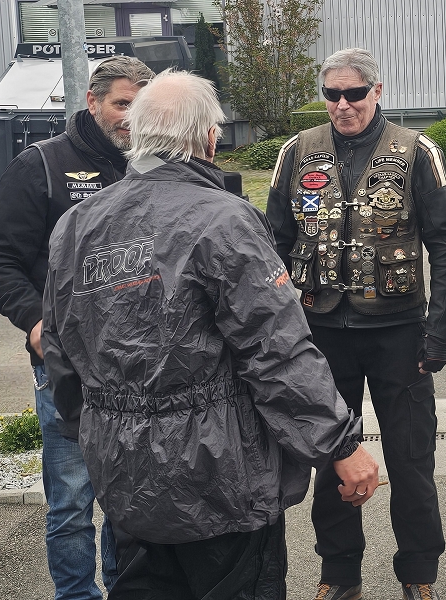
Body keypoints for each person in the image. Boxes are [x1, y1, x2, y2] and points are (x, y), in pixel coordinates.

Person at [41, 68, 380, 600]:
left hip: (125, 475)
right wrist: (339, 443)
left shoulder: (77, 225)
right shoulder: (224, 220)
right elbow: (277, 351)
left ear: (137, 134)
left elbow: (60, 351)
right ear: (209, 138)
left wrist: (99, 431)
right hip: (221, 480)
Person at [266, 48, 446, 600]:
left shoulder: (416, 150)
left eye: (355, 93)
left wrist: (439, 332)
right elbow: (273, 244)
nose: (343, 104)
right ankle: (339, 573)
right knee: (331, 455)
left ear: (377, 92)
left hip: (399, 332)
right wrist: (282, 332)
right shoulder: (297, 151)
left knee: (411, 459)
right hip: (321, 333)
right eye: (332, 94)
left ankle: (418, 573)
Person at [0, 55, 154, 600]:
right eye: (121, 103)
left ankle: (125, 591)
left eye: (141, 106)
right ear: (92, 101)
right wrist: (36, 326)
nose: (131, 116)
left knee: (130, 501)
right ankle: (77, 594)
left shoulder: (154, 165)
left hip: (142, 368)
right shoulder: (40, 165)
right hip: (67, 366)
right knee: (72, 502)